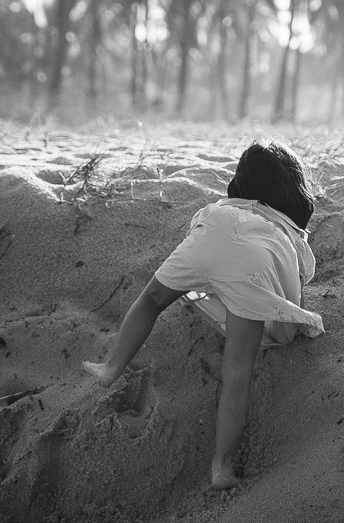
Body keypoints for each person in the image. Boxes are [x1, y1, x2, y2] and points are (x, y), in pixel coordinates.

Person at [82, 139, 325, 489]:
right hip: (252, 266)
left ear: (240, 183)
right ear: (294, 191)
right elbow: (297, 277)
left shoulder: (223, 206)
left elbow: (195, 231)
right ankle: (222, 468)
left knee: (151, 299)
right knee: (237, 371)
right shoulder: (286, 229)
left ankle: (111, 367)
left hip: (211, 227)